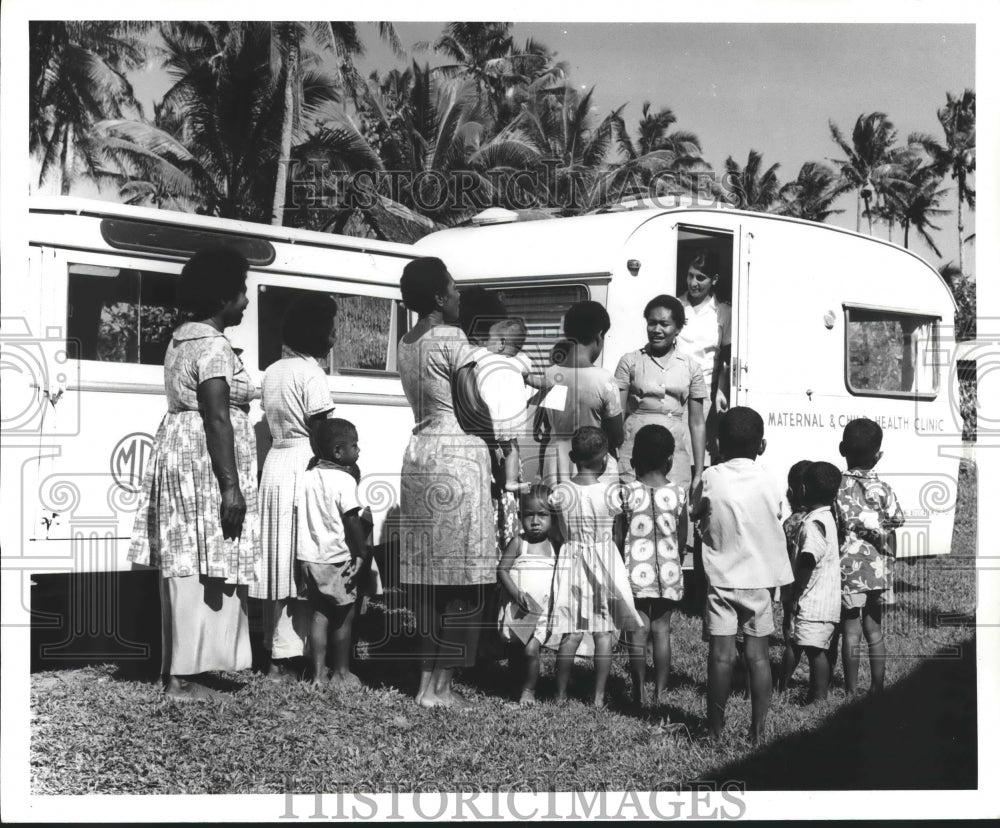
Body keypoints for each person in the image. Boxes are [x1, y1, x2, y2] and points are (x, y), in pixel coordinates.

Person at [128, 247, 260, 701]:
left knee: (189, 557)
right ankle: (182, 678)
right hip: (205, 459)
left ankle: (183, 668)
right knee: (204, 556)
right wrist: (231, 488)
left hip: (178, 451)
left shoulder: (181, 338)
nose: (245, 301)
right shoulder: (216, 346)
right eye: (241, 292)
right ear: (223, 297)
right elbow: (217, 417)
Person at [397, 257, 495, 709]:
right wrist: (496, 434)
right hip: (456, 455)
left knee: (428, 581)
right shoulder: (453, 338)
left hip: (419, 455)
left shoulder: (406, 341)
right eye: (454, 290)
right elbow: (471, 402)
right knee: (463, 580)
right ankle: (442, 688)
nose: (459, 296)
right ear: (439, 298)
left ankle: (423, 684)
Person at [693, 407, 792, 742]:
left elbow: (696, 510)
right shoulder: (770, 479)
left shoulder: (711, 477)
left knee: (721, 657)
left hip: (721, 578)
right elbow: (780, 513)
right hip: (761, 580)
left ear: (718, 443)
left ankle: (715, 731)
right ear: (761, 446)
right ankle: (758, 733)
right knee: (759, 657)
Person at [252, 294, 337, 676]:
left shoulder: (272, 371)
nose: (334, 337)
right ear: (317, 332)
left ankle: (276, 648)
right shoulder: (310, 373)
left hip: (275, 463)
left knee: (280, 557)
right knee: (304, 553)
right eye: (331, 329)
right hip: (303, 462)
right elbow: (322, 431)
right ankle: (289, 654)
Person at [548, 427, 645, 707]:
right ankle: (599, 696)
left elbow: (556, 530)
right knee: (603, 631)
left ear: (572, 456)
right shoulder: (610, 493)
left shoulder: (561, 492)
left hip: (572, 560)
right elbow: (617, 527)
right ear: (604, 460)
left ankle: (559, 694)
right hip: (604, 560)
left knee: (571, 631)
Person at [297, 418, 372, 688]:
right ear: (339, 452)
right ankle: (341, 673)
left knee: (319, 614)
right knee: (344, 615)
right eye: (354, 445)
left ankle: (317, 675)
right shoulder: (343, 479)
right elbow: (352, 520)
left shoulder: (306, 477)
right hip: (337, 558)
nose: (358, 450)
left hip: (308, 558)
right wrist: (362, 552)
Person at [617, 424, 688, 706]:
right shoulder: (679, 494)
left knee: (638, 630)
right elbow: (682, 537)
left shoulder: (625, 494)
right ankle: (659, 693)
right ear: (670, 460)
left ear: (633, 460)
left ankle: (639, 692)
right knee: (661, 632)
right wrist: (676, 560)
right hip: (669, 570)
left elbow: (618, 533)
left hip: (635, 569)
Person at [837, 418, 905, 695]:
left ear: (843, 449)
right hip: (879, 569)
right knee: (874, 629)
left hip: (848, 571)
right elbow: (897, 520)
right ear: (878, 456)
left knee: (850, 631)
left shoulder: (837, 487)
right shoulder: (884, 489)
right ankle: (878, 687)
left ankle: (851, 690)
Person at [614, 294, 707, 498]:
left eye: (664, 324)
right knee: (633, 510)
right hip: (634, 450)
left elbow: (697, 422)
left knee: (673, 513)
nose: (657, 330)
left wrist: (699, 472)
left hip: (674, 454)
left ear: (678, 328)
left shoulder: (691, 367)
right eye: (652, 323)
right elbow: (617, 414)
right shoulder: (630, 361)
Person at [537, 302, 624, 486]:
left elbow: (548, 429)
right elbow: (616, 436)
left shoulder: (551, 375)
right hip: (593, 464)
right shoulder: (603, 379)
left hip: (557, 462)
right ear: (599, 335)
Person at [784, 462, 843, 704]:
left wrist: (796, 592)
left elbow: (808, 559)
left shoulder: (813, 525)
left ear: (804, 490)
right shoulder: (827, 517)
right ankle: (812, 693)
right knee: (811, 647)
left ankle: (817, 699)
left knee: (815, 652)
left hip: (814, 601)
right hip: (825, 599)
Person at [497, 484, 557, 706]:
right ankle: (516, 684)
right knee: (515, 651)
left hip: (540, 612)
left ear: (553, 518)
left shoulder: (554, 547)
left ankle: (529, 690)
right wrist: (515, 593)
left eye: (542, 515)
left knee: (532, 649)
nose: (535, 521)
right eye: (528, 515)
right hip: (518, 610)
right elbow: (501, 570)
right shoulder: (518, 543)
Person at [676, 250, 732, 462]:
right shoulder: (676, 306)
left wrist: (721, 391)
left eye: (701, 277)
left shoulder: (724, 311)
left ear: (714, 279)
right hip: (678, 390)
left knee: (704, 457)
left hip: (707, 391)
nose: (693, 282)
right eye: (690, 275)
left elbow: (726, 357)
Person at [475, 317, 540, 495]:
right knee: (511, 448)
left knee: (488, 447)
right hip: (510, 417)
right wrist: (549, 383)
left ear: (501, 343)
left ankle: (493, 477)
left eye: (489, 338)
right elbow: (535, 380)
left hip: (487, 415)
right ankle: (510, 481)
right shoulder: (520, 362)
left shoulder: (482, 356)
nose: (485, 342)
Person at [777, 459, 813, 691]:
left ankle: (781, 682)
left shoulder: (790, 523)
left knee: (792, 638)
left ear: (791, 492)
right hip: (819, 587)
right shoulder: (825, 521)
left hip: (793, 589)